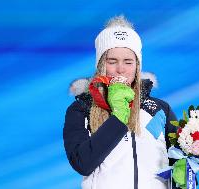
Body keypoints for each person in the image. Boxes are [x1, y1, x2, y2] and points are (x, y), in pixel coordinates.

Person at [63, 15, 178, 189]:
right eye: (112, 61)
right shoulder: (81, 109)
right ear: (101, 64)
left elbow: (179, 164)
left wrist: (186, 173)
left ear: (137, 66)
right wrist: (118, 116)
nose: (121, 69)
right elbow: (83, 163)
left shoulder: (159, 109)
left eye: (128, 62)